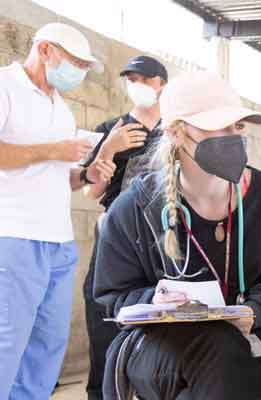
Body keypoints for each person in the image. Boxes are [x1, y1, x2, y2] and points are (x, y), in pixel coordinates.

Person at [93, 72, 261, 400]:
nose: (234, 137)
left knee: (233, 363)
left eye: (238, 127)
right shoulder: (135, 207)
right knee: (224, 353)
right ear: (176, 132)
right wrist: (153, 301)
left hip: (258, 339)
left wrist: (256, 311)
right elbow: (113, 296)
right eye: (220, 126)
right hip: (162, 348)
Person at [0, 22, 113, 400]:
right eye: (74, 61)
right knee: (2, 344)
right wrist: (53, 150)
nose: (79, 72)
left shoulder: (60, 107)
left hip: (58, 242)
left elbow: (58, 177)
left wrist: (85, 173)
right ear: (44, 50)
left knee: (48, 345)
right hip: (12, 236)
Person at [80, 55, 168, 400]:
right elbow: (91, 190)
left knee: (162, 318)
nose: (137, 86)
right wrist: (108, 149)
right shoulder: (111, 128)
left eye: (145, 79)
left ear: (161, 84)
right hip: (116, 236)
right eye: (131, 79)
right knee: (102, 313)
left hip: (165, 239)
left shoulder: (175, 129)